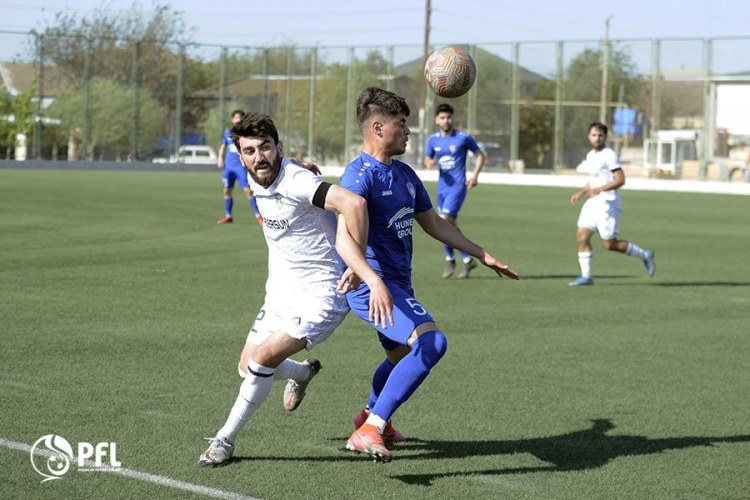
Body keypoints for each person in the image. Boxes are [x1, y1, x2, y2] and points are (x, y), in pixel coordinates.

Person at [199, 112, 394, 467]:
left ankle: (224, 439)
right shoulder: (255, 174)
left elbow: (354, 203)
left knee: (262, 360)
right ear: (240, 156)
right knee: (246, 367)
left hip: (322, 293)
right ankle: (304, 373)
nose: (259, 156)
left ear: (278, 147)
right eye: (250, 151)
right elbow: (276, 167)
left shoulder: (297, 181)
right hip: (280, 289)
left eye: (265, 147)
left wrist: (356, 264)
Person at [340, 87, 519, 463]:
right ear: (378, 128)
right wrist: (366, 275)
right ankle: (370, 429)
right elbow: (344, 236)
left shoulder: (404, 174)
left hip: (398, 284)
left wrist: (481, 253)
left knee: (400, 356)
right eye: (401, 124)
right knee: (431, 343)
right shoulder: (358, 176)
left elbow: (434, 223)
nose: (408, 131)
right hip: (373, 285)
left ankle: (370, 416)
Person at [568, 122, 656, 286]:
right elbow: (594, 180)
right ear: (589, 137)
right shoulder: (591, 155)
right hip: (593, 202)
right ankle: (586, 277)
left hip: (607, 204)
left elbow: (620, 180)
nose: (597, 138)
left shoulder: (609, 155)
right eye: (594, 135)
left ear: (605, 137)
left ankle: (644, 255)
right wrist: (581, 193)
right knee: (581, 236)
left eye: (600, 135)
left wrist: (599, 189)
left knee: (610, 244)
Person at [424, 103, 486, 279]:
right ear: (436, 120)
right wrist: (429, 163)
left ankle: (451, 259)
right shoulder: (432, 140)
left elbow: (480, 155)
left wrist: (474, 176)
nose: (446, 120)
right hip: (442, 188)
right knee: (449, 225)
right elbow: (428, 159)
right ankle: (467, 259)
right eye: (442, 117)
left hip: (458, 187)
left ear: (453, 119)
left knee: (443, 221)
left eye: (449, 117)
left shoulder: (463, 138)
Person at [216, 109, 263, 225]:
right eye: (236, 117)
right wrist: (220, 158)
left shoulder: (245, 134)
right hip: (228, 167)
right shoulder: (227, 132)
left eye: (240, 118)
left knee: (248, 191)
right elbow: (223, 146)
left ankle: (259, 216)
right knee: (226, 190)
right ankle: (228, 216)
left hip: (240, 167)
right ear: (232, 119)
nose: (238, 120)